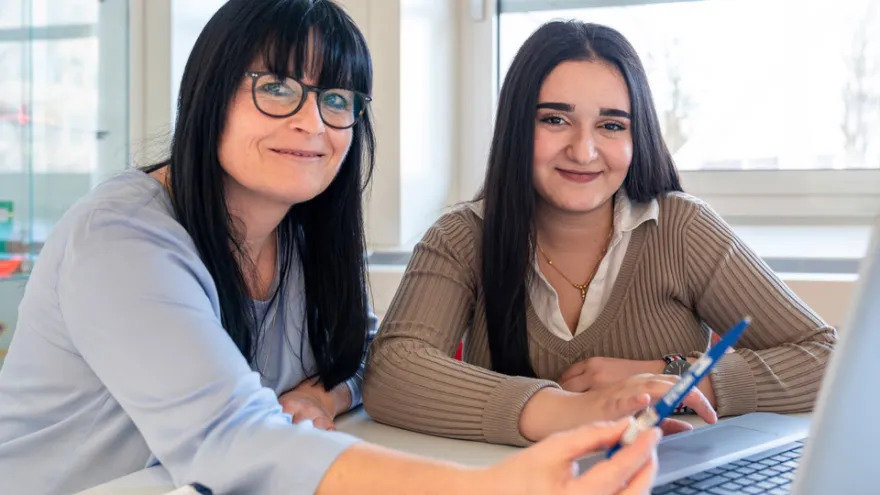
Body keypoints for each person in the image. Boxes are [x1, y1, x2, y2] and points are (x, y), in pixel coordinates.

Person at [0, 3, 666, 494]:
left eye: (337, 98)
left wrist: (327, 392)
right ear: (210, 93)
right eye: (278, 88)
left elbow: (363, 349)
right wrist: (486, 486)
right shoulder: (123, 237)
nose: (312, 122)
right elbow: (231, 438)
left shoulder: (296, 230)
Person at [362, 20, 837, 447]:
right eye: (554, 119)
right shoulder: (462, 235)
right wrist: (568, 410)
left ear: (637, 138)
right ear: (515, 129)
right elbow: (392, 371)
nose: (584, 150)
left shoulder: (683, 228)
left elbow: (828, 357)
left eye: (611, 125)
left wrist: (675, 377)